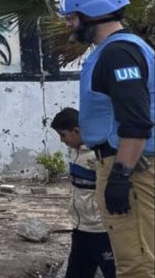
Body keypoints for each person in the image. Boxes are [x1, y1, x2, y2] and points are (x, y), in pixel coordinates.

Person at [59, 0, 155, 277]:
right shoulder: (120, 50)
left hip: (131, 166)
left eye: (72, 17)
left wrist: (121, 176)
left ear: (92, 13)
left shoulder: (118, 53)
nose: (69, 25)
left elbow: (136, 121)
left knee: (137, 263)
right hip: (128, 163)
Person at [49, 107, 116, 278]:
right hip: (80, 228)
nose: (62, 140)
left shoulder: (99, 154)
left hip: (102, 231)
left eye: (63, 135)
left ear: (76, 131)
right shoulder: (75, 151)